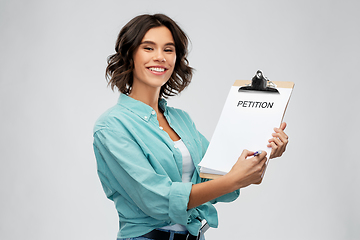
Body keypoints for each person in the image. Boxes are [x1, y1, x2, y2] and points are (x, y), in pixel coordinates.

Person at [93, 13, 289, 240]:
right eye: (148, 48)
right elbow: (158, 201)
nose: (160, 57)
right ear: (130, 55)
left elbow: (214, 176)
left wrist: (262, 150)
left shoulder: (181, 120)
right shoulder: (112, 127)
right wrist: (234, 179)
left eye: (168, 49)